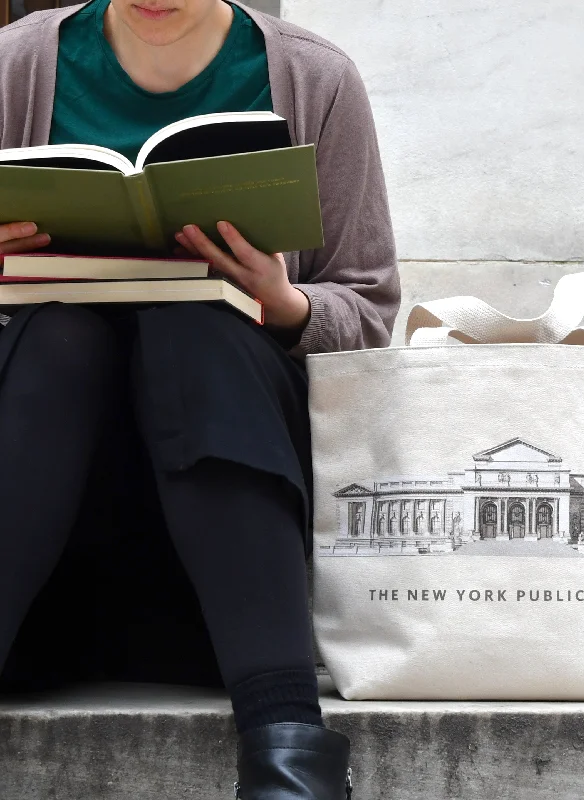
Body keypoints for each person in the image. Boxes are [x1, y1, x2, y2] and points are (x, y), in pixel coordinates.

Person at [0, 0, 400, 796]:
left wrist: (283, 304)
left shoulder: (314, 77)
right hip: (46, 555)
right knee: (61, 339)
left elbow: (369, 311)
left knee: (196, 326)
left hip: (228, 557)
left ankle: (287, 749)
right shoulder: (17, 65)